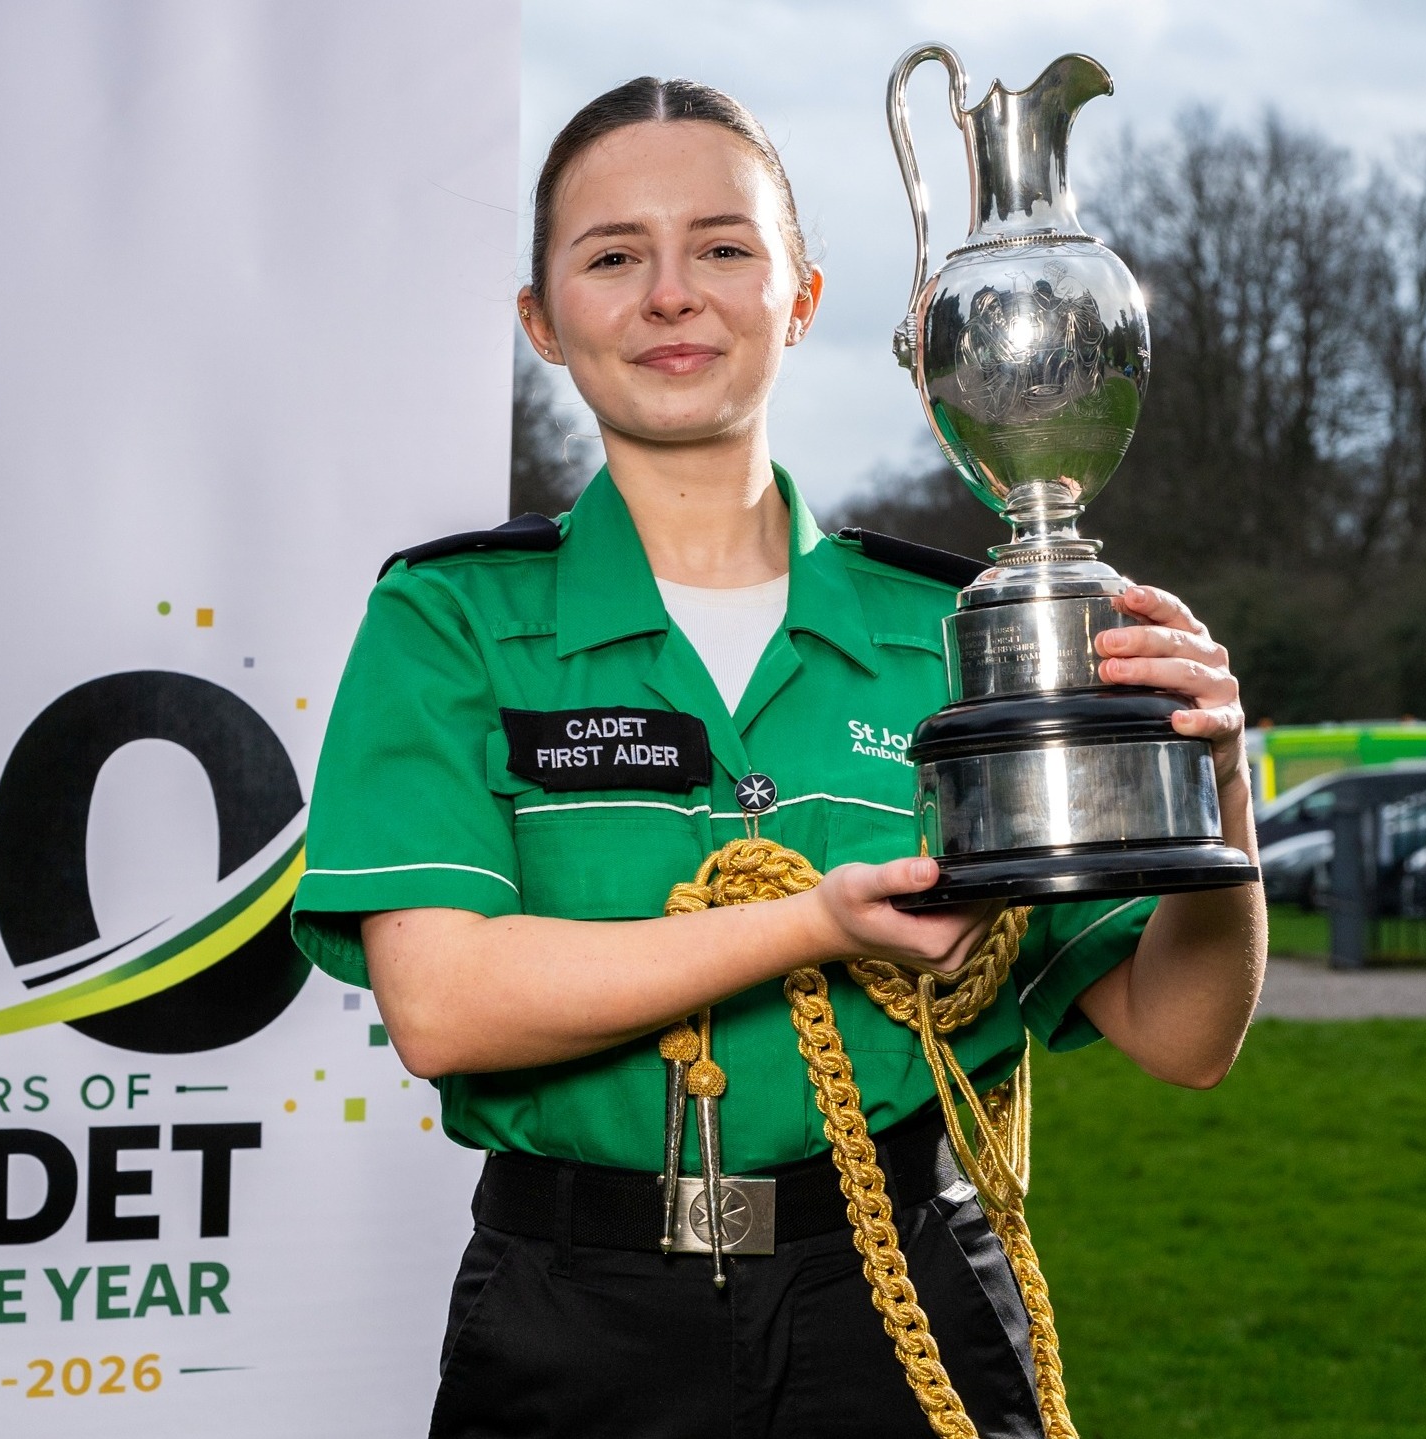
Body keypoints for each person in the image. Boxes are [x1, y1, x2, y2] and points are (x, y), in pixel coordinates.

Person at [292, 76, 1266, 1439]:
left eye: (725, 247)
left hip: (908, 1294)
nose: (672, 294)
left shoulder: (956, 629)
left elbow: (1182, 1036)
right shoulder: (451, 619)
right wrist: (812, 926)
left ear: (803, 298)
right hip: (574, 1319)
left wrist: (1215, 795)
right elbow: (446, 1004)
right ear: (544, 320)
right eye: (614, 254)